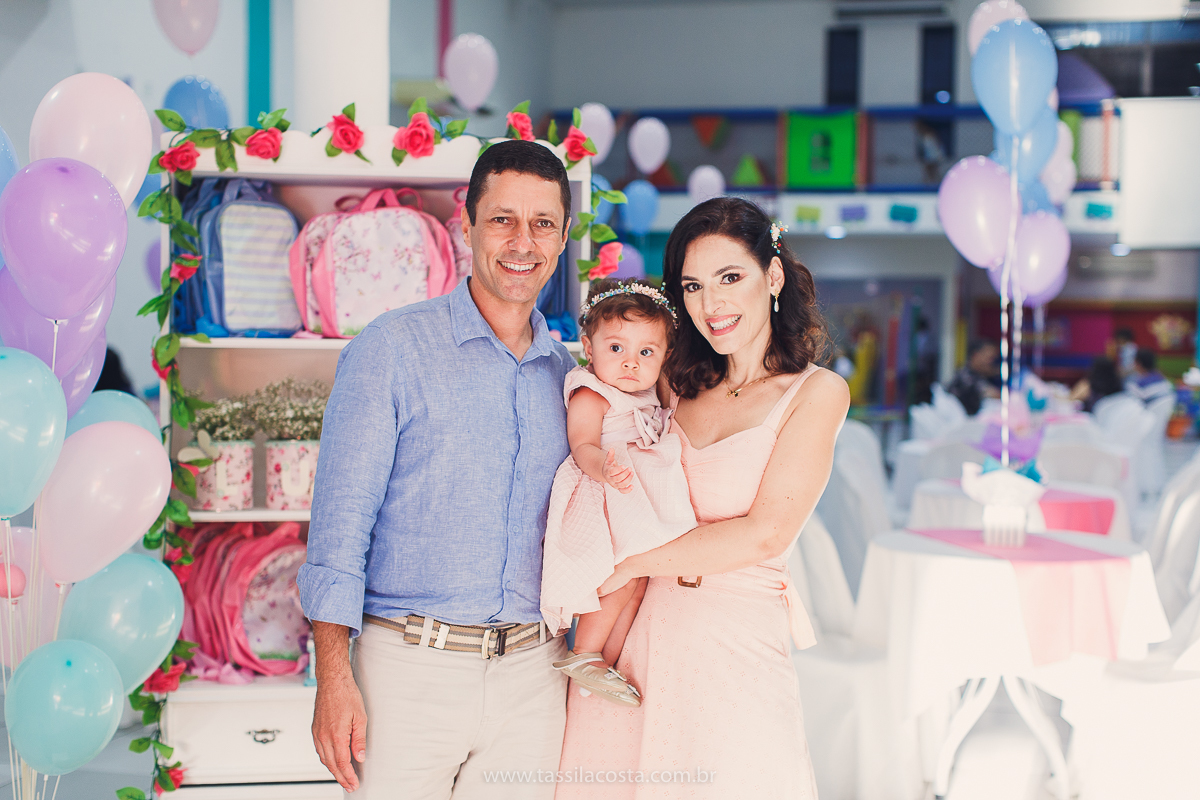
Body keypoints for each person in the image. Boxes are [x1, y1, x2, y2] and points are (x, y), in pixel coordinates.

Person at [298, 140, 577, 799]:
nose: (522, 242)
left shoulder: (570, 379)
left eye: (542, 224)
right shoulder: (389, 349)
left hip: (533, 680)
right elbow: (340, 526)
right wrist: (334, 679)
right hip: (406, 673)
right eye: (503, 219)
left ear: (564, 238)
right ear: (467, 224)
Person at [557, 198, 849, 798]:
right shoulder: (670, 380)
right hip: (636, 636)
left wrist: (626, 563)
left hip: (734, 639)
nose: (710, 305)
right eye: (692, 285)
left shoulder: (816, 393)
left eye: (729, 278)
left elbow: (765, 534)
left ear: (772, 277)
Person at [541, 279, 695, 707]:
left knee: (640, 581)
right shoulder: (592, 391)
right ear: (589, 348)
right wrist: (605, 470)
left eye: (646, 352)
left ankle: (605, 661)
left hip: (633, 494)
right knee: (621, 576)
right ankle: (585, 652)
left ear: (664, 356)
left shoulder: (648, 390)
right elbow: (582, 445)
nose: (631, 363)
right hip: (603, 492)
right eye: (616, 349)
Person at [946, 339, 1000, 415]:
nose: (992, 363)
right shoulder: (966, 377)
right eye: (990, 358)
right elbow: (994, 394)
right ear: (976, 355)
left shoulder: (978, 376)